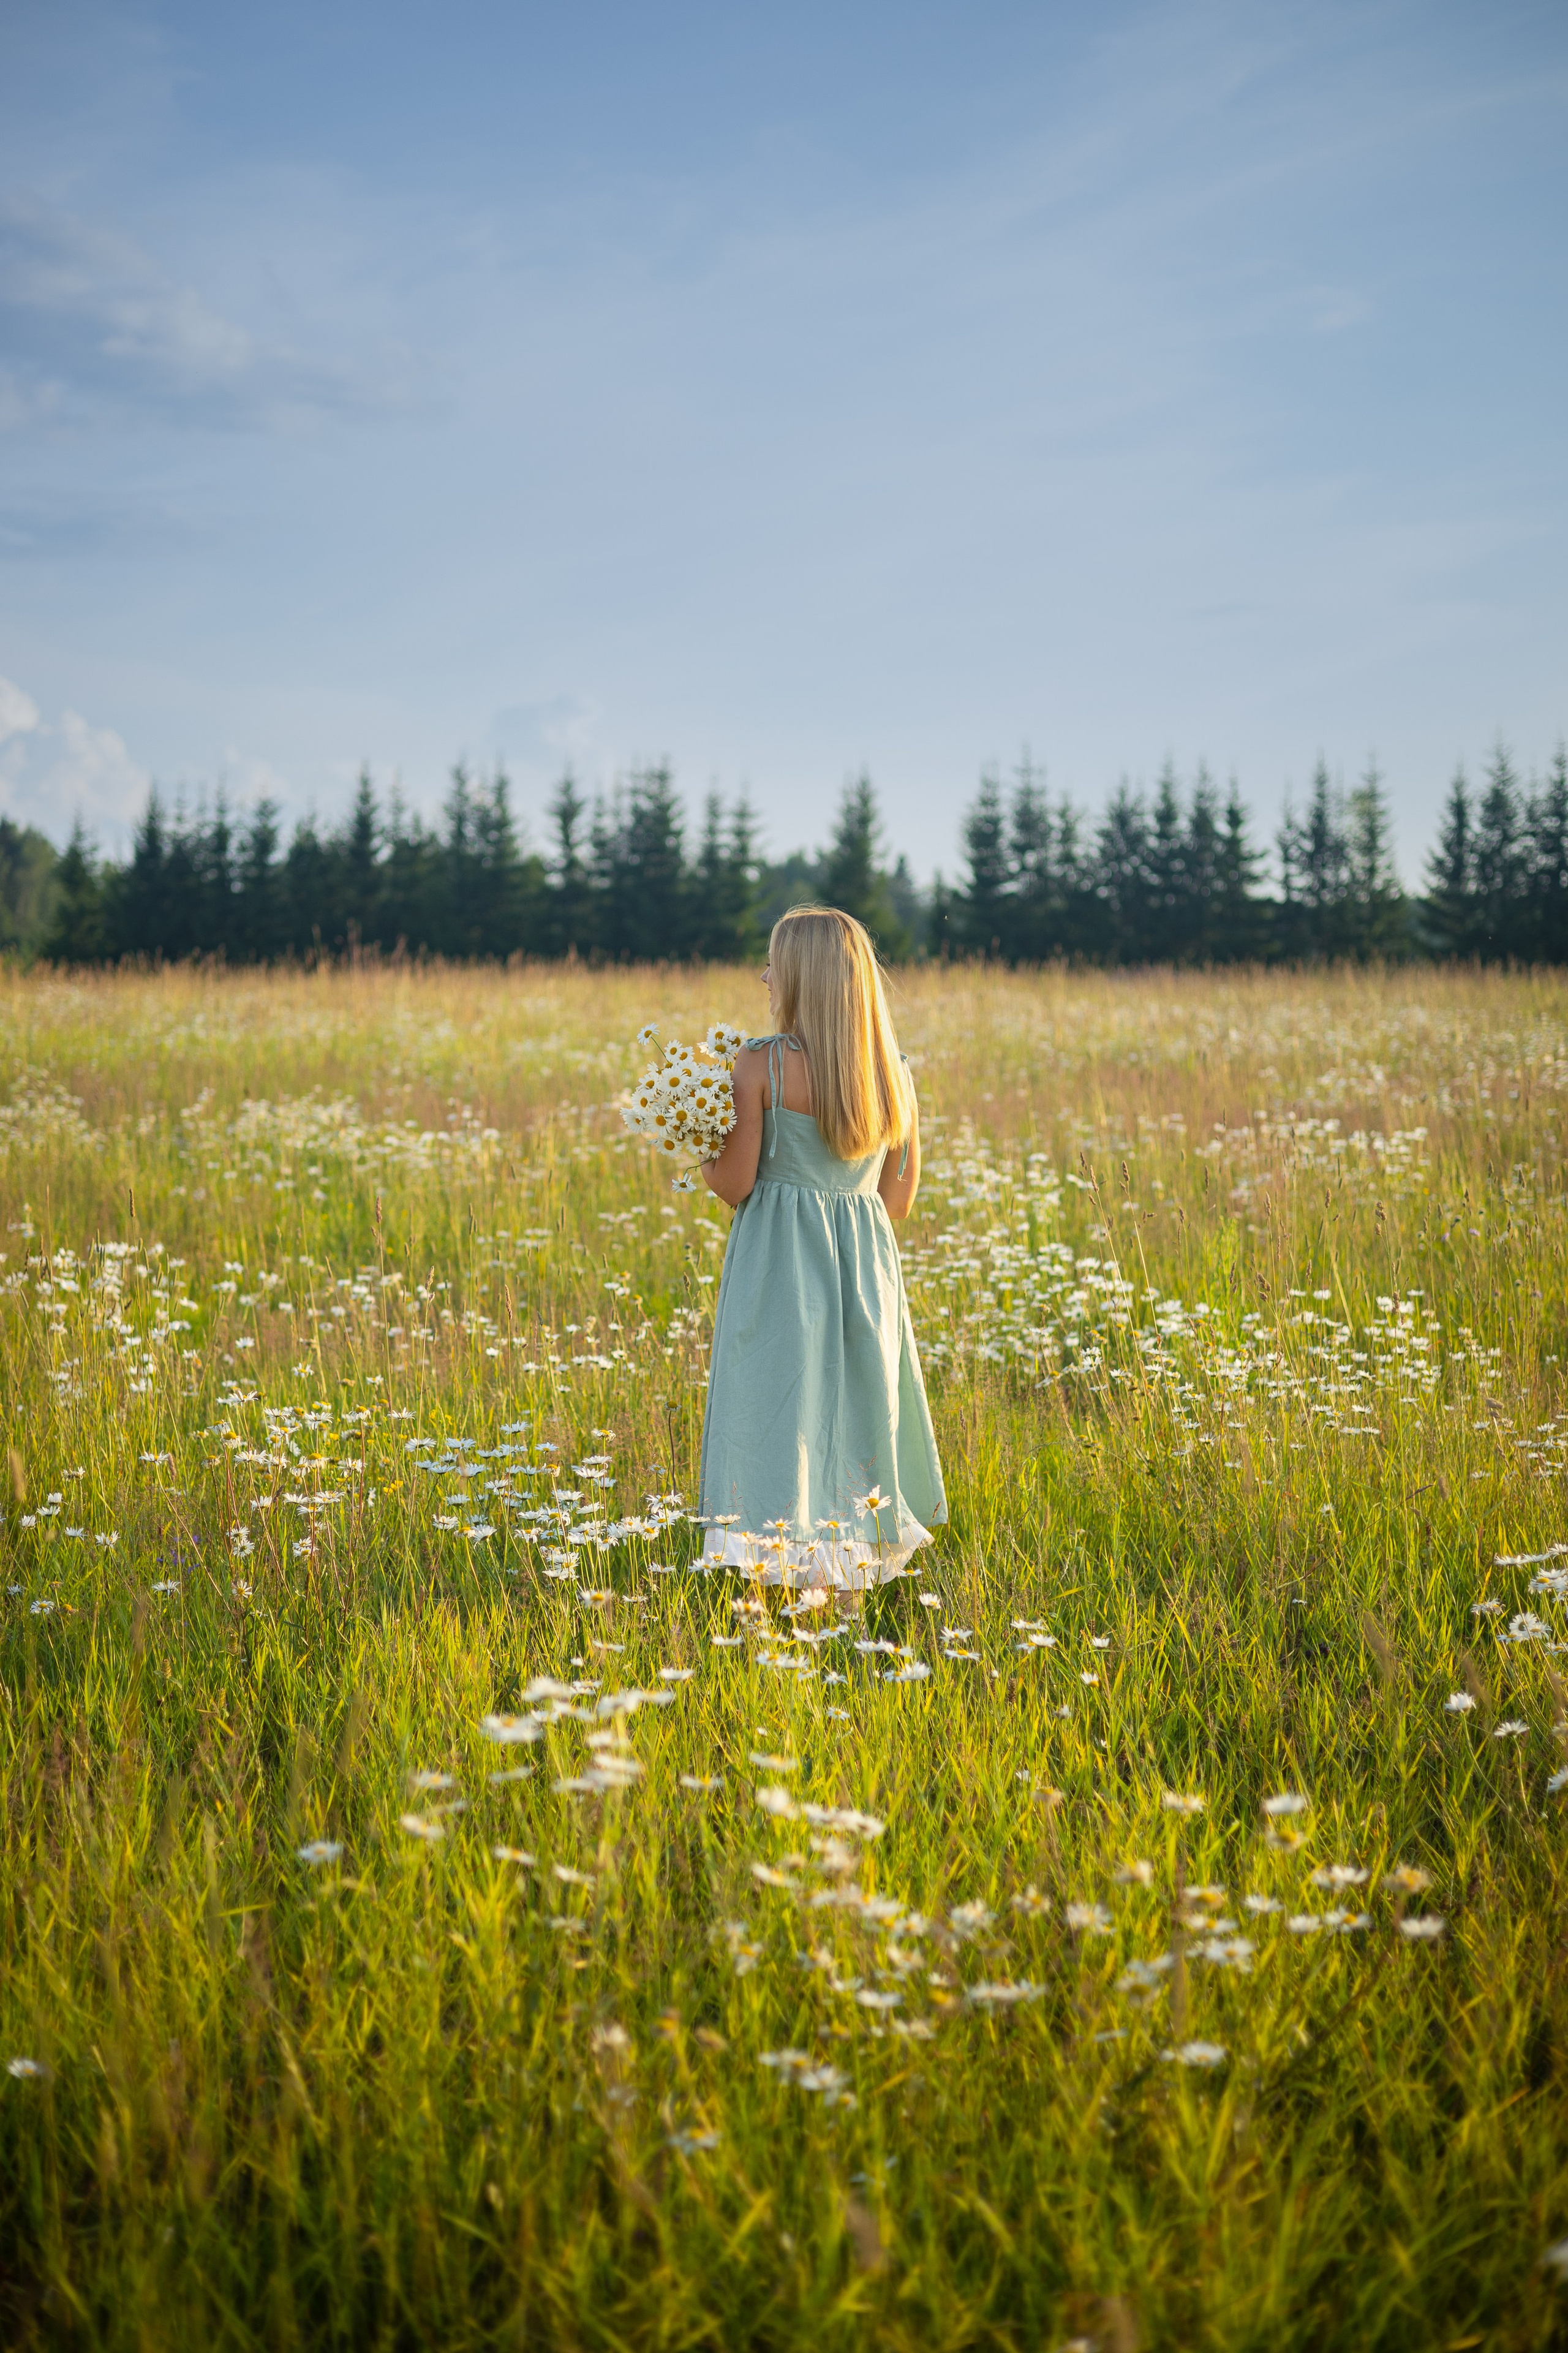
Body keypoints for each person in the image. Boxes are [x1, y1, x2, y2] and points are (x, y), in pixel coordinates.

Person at [698, 904, 947, 1590]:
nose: (764, 975)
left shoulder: (759, 1064)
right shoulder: (892, 1071)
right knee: (855, 1411)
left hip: (780, 1272)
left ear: (801, 977)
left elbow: (734, 1182)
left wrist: (699, 1146)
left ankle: (779, 1594)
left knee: (779, 1414)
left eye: (773, 964)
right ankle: (841, 1599)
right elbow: (895, 1202)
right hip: (865, 1278)